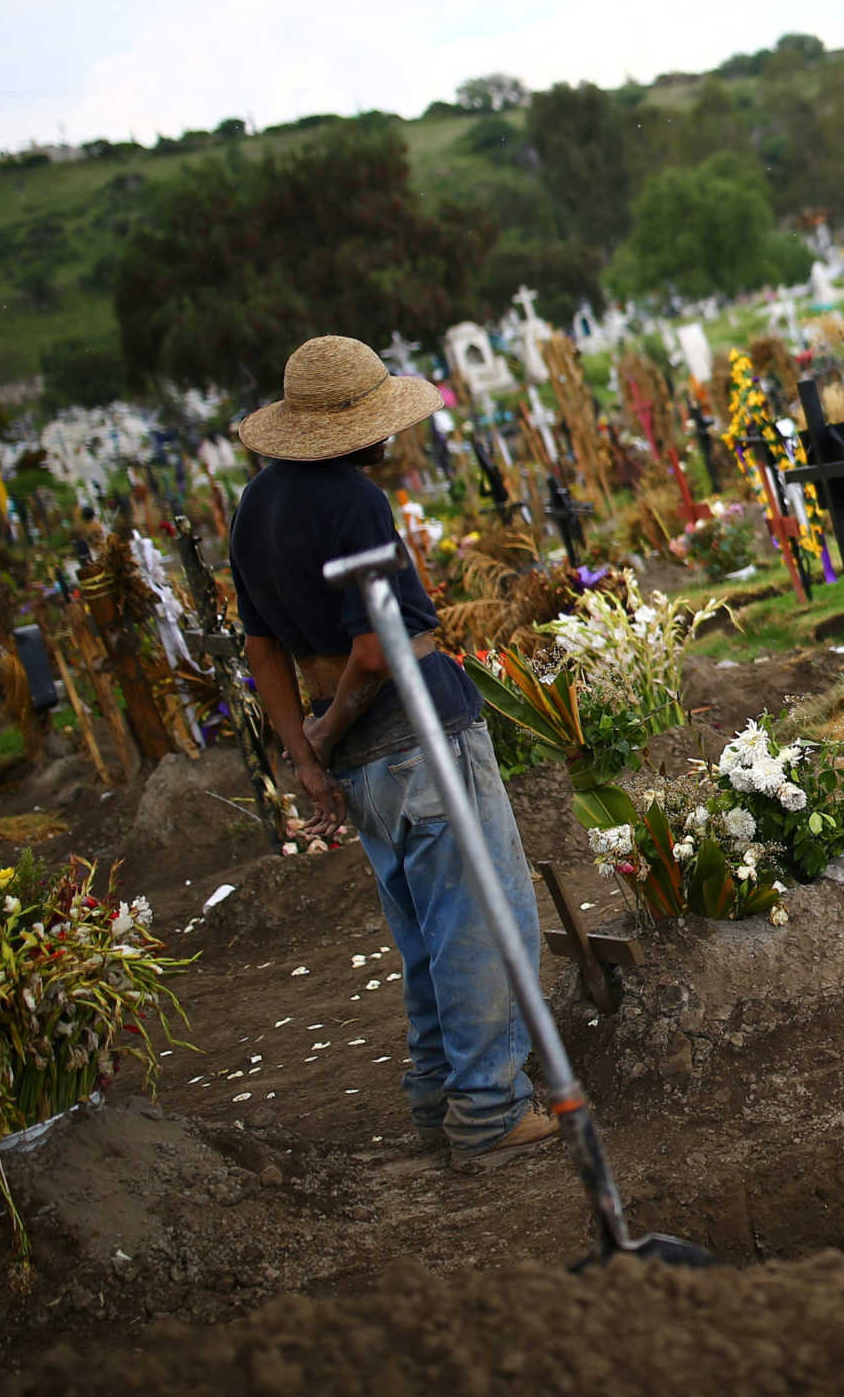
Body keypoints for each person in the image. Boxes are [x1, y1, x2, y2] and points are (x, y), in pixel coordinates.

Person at [232, 336, 557, 1175]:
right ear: (353, 429)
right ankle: (488, 1109)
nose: (392, 434)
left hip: (360, 767)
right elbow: (382, 650)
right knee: (478, 920)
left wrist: (305, 754)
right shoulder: (354, 504)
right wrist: (334, 723)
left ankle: (434, 1098)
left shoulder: (255, 507)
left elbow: (261, 648)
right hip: (419, 742)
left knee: (424, 931)